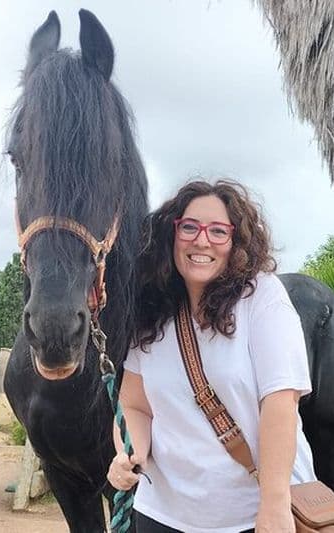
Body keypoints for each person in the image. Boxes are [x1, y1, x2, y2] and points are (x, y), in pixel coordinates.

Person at [108, 180, 316, 533]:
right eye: (189, 227)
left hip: (250, 516)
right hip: (162, 514)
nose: (202, 240)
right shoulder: (152, 308)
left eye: (218, 231)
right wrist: (132, 454)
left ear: (236, 242)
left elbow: (281, 402)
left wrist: (274, 505)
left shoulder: (262, 298)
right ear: (171, 234)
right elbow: (134, 405)